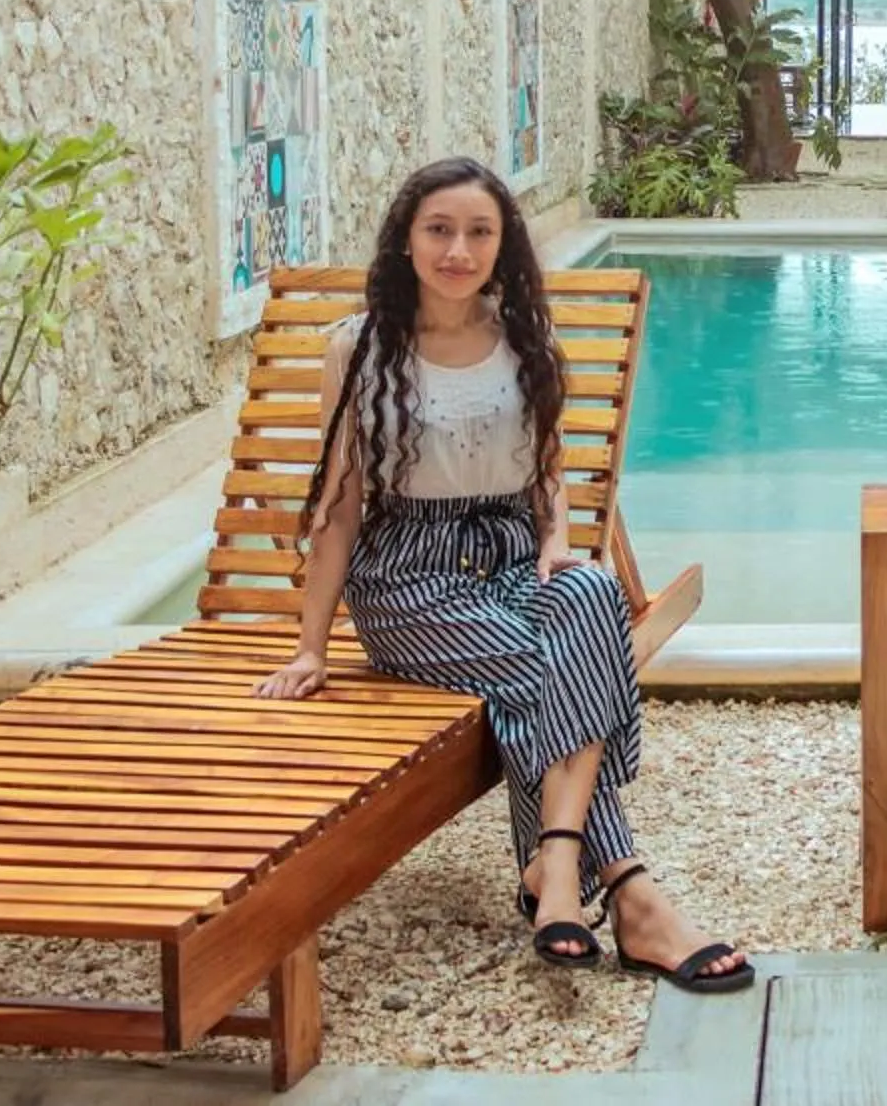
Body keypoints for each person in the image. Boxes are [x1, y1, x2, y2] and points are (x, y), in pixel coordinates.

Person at [253, 157, 750, 991]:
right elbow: (339, 507)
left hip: (512, 557)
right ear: (406, 241)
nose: (458, 249)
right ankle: (625, 888)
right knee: (568, 666)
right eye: (439, 230)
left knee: (590, 591)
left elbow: (546, 465)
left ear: (503, 244)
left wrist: (556, 536)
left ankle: (555, 871)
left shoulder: (525, 336)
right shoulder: (361, 346)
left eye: (479, 232)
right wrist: (311, 647)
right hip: (410, 579)